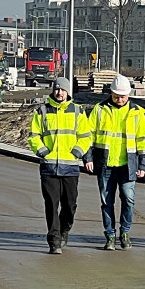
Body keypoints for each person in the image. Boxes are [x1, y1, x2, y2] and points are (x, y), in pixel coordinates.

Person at [84, 74, 145, 250]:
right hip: (105, 165)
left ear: (128, 95)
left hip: (127, 166)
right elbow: (87, 136)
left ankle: (125, 233)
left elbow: (144, 141)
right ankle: (110, 236)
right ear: (111, 94)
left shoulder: (137, 113)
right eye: (116, 96)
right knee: (107, 202)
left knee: (128, 200)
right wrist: (88, 158)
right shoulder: (99, 110)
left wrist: (143, 166)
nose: (120, 99)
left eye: (123, 96)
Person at [28, 77, 92, 254]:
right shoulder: (42, 111)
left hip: (70, 167)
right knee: (51, 203)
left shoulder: (78, 111)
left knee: (70, 205)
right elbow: (34, 135)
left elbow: (86, 136)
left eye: (63, 90)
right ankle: (54, 239)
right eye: (57, 89)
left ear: (68, 92)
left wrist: (77, 153)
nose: (59, 93)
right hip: (49, 167)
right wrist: (42, 152)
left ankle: (65, 229)